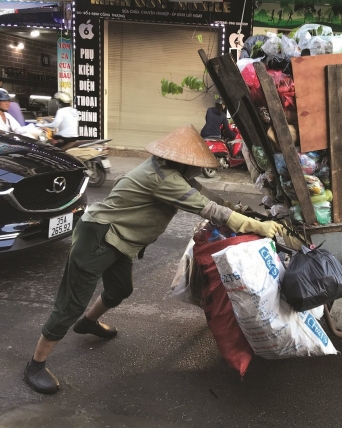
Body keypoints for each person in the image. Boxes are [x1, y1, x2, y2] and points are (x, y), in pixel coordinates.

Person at [23, 125, 283, 394]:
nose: (197, 170)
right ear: (182, 162)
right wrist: (256, 226)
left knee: (120, 289)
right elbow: (209, 209)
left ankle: (88, 322)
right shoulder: (163, 179)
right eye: (194, 165)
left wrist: (243, 213)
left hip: (118, 240)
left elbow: (207, 196)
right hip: (98, 237)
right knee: (70, 304)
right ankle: (35, 364)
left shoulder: (168, 171)